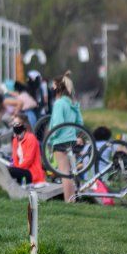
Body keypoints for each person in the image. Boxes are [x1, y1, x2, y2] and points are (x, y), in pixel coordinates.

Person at [48, 71, 83, 203]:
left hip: (60, 141)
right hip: (72, 141)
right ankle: (72, 199)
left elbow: (57, 124)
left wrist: (51, 138)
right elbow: (80, 123)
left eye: (53, 86)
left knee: (64, 173)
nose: (51, 88)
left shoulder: (58, 104)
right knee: (70, 172)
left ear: (58, 87)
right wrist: (73, 134)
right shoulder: (72, 103)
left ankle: (69, 201)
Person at [9, 114, 47, 187]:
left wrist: (17, 169)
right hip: (21, 170)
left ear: (24, 125)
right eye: (13, 124)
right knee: (8, 170)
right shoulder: (15, 140)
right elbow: (15, 158)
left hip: (32, 173)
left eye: (17, 124)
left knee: (11, 171)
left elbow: (29, 160)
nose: (14, 126)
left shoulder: (31, 138)